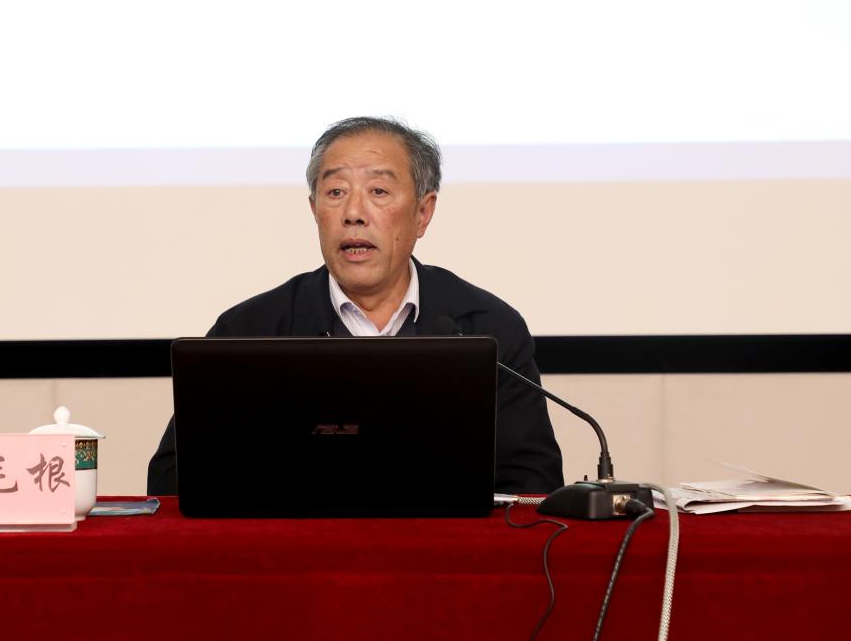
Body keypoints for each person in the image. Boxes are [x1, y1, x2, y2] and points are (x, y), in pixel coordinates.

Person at [148, 117, 563, 495]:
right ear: (315, 210)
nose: (353, 213)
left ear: (423, 213)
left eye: (378, 191)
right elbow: (172, 479)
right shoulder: (248, 329)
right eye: (335, 192)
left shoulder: (488, 327)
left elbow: (533, 482)